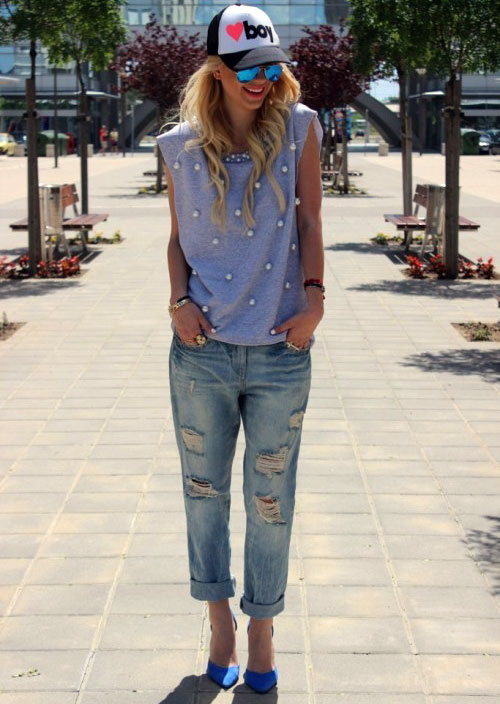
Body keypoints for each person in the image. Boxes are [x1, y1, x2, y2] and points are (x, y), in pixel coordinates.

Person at [156, 2, 324, 694]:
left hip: (282, 350)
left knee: (270, 499)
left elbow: (311, 220)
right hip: (202, 353)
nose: (262, 80)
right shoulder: (177, 146)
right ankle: (219, 618)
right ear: (218, 70)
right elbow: (176, 239)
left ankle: (262, 625)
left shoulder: (301, 127)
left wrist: (315, 300)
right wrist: (179, 303)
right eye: (248, 69)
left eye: (271, 67)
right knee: (203, 494)